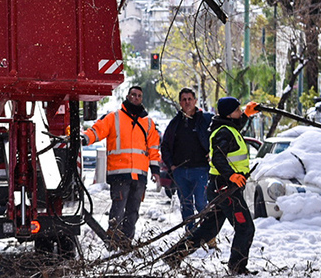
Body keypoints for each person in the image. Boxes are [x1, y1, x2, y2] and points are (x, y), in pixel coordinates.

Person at [165, 96, 259, 276]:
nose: (240, 112)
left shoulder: (227, 128)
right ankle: (237, 268)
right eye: (238, 110)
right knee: (245, 227)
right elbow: (218, 157)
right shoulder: (223, 132)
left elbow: (235, 130)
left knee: (209, 229)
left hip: (221, 187)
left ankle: (174, 256)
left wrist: (247, 113)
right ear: (229, 114)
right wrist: (232, 175)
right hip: (226, 188)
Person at [82, 85, 161, 248]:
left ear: (142, 99)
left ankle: (126, 243)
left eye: (139, 95)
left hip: (139, 176)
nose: (136, 97)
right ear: (127, 96)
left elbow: (153, 149)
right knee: (117, 211)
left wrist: (155, 170)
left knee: (133, 212)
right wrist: (85, 138)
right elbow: (97, 130)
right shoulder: (114, 117)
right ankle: (112, 243)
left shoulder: (148, 123)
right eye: (133, 94)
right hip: (119, 174)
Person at [161, 87, 213, 229]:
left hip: (201, 170)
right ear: (180, 102)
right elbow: (164, 146)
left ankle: (207, 234)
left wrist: (212, 152)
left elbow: (218, 135)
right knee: (186, 205)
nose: (187, 102)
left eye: (190, 99)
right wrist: (171, 165)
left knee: (202, 203)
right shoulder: (175, 124)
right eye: (184, 99)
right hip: (180, 172)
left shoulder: (206, 119)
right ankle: (190, 236)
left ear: (195, 101)